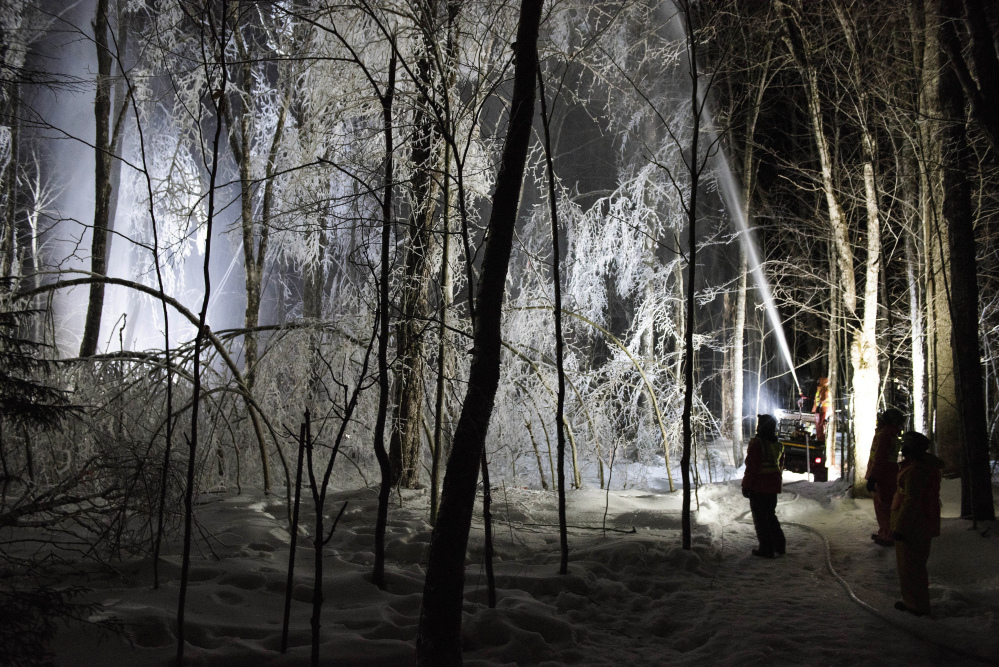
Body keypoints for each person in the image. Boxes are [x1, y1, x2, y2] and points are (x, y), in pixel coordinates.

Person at [891, 431, 944, 617]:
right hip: (921, 522)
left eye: (905, 445)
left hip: (914, 525)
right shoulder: (922, 467)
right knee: (914, 565)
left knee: (910, 567)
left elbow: (911, 501)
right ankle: (915, 602)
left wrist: (900, 527)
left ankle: (917, 606)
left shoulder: (916, 471)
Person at [742, 414, 786, 558]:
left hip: (759, 486)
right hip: (772, 486)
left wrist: (746, 486)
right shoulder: (778, 444)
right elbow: (780, 466)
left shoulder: (757, 443)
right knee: (770, 516)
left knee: (760, 519)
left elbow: (752, 467)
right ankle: (779, 545)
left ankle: (766, 549)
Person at [865, 408, 906, 546]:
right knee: (885, 505)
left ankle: (887, 536)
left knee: (883, 506)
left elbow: (880, 457)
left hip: (883, 474)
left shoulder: (885, 434)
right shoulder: (892, 433)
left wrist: (873, 477)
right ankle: (885, 532)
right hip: (888, 472)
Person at [812, 377, 830, 443]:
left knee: (820, 425)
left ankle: (821, 440)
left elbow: (823, 398)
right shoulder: (821, 389)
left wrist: (819, 407)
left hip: (823, 409)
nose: (818, 381)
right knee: (819, 425)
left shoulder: (824, 389)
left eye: (820, 380)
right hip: (821, 409)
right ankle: (820, 439)